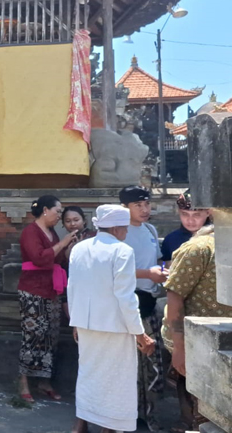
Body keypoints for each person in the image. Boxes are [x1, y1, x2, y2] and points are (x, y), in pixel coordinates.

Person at [68, 205, 156, 433]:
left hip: (87, 325)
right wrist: (140, 333)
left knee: (88, 374)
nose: (126, 233)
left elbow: (72, 288)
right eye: (125, 229)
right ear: (117, 228)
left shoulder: (79, 249)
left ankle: (81, 425)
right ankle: (109, 428)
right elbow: (126, 297)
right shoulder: (122, 251)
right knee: (118, 380)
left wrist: (76, 323)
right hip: (116, 327)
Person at [163, 223, 231, 433]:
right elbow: (175, 298)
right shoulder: (200, 249)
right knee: (203, 412)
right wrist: (180, 349)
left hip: (225, 343)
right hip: (197, 342)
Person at [17, 195, 77, 403]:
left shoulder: (51, 232)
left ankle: (44, 382)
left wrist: (67, 248)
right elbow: (40, 258)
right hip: (32, 290)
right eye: (57, 211)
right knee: (31, 335)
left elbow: (56, 258)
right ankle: (23, 382)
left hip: (51, 290)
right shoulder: (30, 232)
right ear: (45, 210)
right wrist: (63, 243)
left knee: (50, 337)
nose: (59, 215)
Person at [120, 185, 167, 431]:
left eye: (147, 204)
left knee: (151, 364)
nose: (144, 209)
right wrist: (146, 273)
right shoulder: (119, 232)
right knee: (130, 364)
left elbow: (156, 260)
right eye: (138, 205)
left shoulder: (150, 229)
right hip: (128, 303)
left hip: (149, 302)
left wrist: (160, 271)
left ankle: (149, 415)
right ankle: (128, 415)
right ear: (124, 208)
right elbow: (115, 271)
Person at [160, 191, 212, 263]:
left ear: (208, 212)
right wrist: (167, 265)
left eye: (196, 215)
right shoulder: (171, 239)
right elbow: (162, 264)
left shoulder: (218, 238)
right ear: (179, 212)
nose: (190, 220)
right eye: (185, 214)